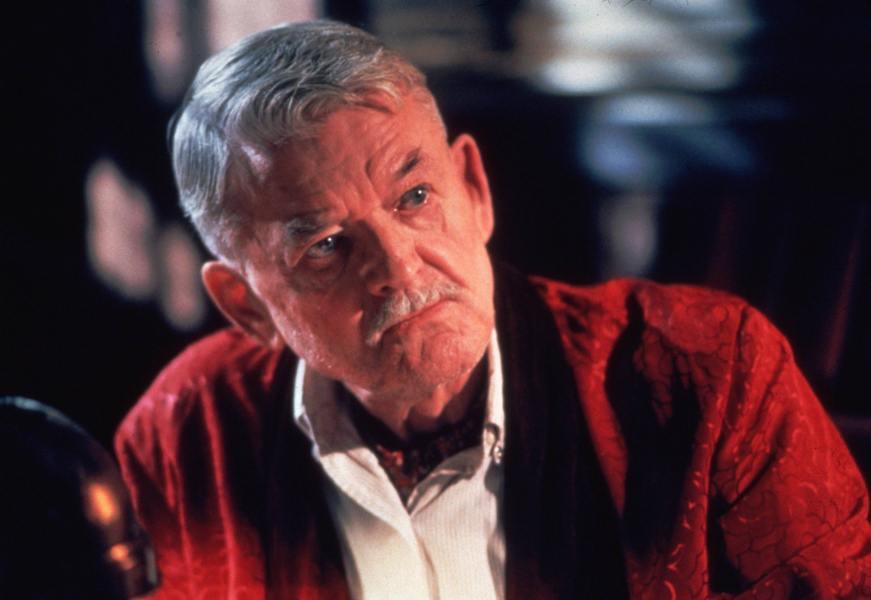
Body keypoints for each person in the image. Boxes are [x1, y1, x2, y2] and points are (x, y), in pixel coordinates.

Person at [114, 20, 871, 600]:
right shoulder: (185, 433)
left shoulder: (707, 373)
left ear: (473, 190)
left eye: (415, 196)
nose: (399, 268)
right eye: (326, 246)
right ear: (246, 304)